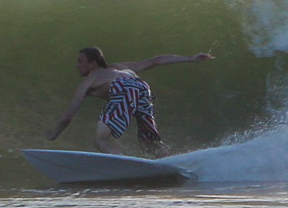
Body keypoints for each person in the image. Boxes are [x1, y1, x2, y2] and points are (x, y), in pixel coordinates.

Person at [45, 46, 213, 156]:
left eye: (80, 62)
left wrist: (53, 135)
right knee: (148, 144)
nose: (77, 66)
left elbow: (68, 116)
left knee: (100, 139)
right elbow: (156, 60)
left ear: (93, 63)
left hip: (123, 87)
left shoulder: (90, 79)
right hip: (142, 87)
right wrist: (191, 58)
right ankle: (172, 161)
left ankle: (122, 162)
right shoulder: (119, 67)